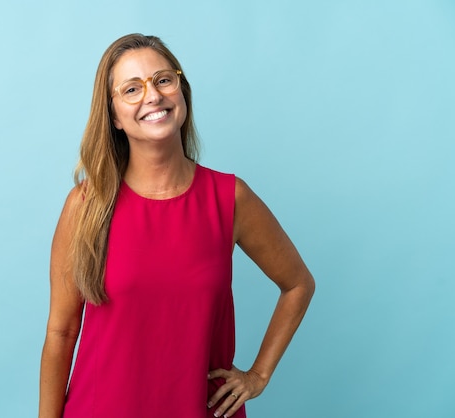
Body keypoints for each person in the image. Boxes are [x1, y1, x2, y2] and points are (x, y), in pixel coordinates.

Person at [38, 33, 315, 418]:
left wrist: (258, 374)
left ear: (181, 91)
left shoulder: (229, 198)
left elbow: (298, 284)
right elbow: (61, 333)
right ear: (113, 115)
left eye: (163, 80)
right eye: (132, 89)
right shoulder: (87, 206)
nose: (152, 96)